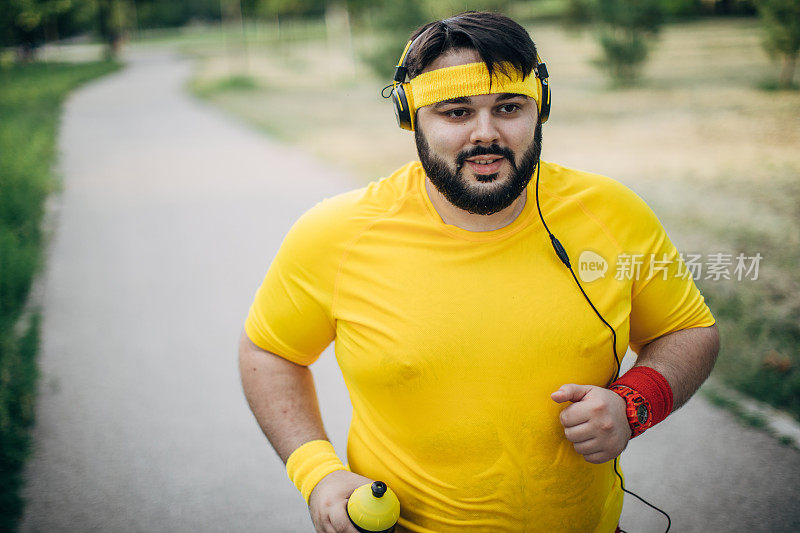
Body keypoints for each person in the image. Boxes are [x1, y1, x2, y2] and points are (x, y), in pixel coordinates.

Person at [239, 11, 719, 533]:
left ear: (541, 109)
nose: (485, 134)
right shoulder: (335, 235)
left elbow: (689, 330)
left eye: (509, 107)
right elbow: (269, 352)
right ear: (411, 117)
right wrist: (319, 474)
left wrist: (634, 404)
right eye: (456, 112)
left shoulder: (611, 213)